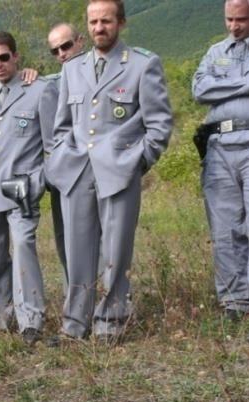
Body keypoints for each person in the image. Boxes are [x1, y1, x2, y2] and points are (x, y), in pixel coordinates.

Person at [45, 0, 173, 344]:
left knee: (116, 251)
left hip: (119, 172)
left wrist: (136, 163)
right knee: (77, 249)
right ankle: (75, 322)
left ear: (121, 22)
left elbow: (159, 126)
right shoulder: (72, 69)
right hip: (77, 173)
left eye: (106, 21)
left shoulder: (143, 66)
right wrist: (62, 157)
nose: (99, 27)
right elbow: (61, 126)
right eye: (92, 21)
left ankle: (110, 321)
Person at [0, 32, 57, 345]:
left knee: (23, 246)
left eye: (4, 57)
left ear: (16, 57)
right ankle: (0, 317)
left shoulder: (39, 90)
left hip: (20, 188)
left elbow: (52, 144)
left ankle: (31, 319)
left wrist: (39, 180)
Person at [192, 0, 249, 321]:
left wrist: (222, 87)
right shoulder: (216, 52)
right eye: (229, 19)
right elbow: (200, 89)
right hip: (219, 147)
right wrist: (245, 85)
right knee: (225, 227)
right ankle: (234, 301)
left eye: (241, 19)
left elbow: (213, 88)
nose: (234, 26)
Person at [45, 23, 86, 283]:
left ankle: (110, 301)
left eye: (66, 45)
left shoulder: (99, 73)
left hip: (94, 172)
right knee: (64, 239)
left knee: (102, 238)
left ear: (80, 41)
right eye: (55, 50)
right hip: (62, 175)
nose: (62, 53)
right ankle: (76, 295)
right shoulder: (51, 83)